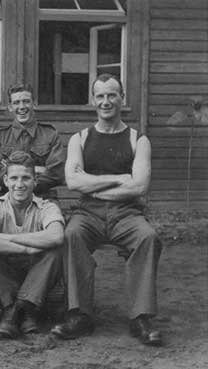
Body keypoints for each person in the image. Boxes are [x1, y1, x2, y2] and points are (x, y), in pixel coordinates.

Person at [51, 74, 162, 346]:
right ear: (92, 100)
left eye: (112, 95)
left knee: (148, 238)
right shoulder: (80, 138)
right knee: (71, 235)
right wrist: (115, 179)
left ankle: (141, 317)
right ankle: (80, 315)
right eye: (100, 96)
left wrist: (92, 184)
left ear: (122, 98)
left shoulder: (139, 140)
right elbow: (73, 182)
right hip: (88, 213)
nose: (106, 101)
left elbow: (139, 187)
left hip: (126, 213)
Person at [0, 151, 64, 339]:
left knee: (55, 251)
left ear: (35, 181)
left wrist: (7, 238)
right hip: (4, 273)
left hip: (36, 273)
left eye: (26, 178)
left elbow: (56, 236)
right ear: (5, 180)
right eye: (14, 178)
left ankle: (15, 312)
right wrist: (26, 248)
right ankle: (21, 312)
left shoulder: (47, 207)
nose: (19, 184)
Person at [0, 83, 65, 199]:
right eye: (16, 103)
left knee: (55, 217)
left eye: (26, 101)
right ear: (10, 107)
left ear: (33, 104)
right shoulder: (0, 137)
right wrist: (38, 169)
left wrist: (12, 171)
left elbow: (56, 174)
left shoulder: (50, 134)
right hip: (8, 198)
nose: (21, 107)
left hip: (44, 198)